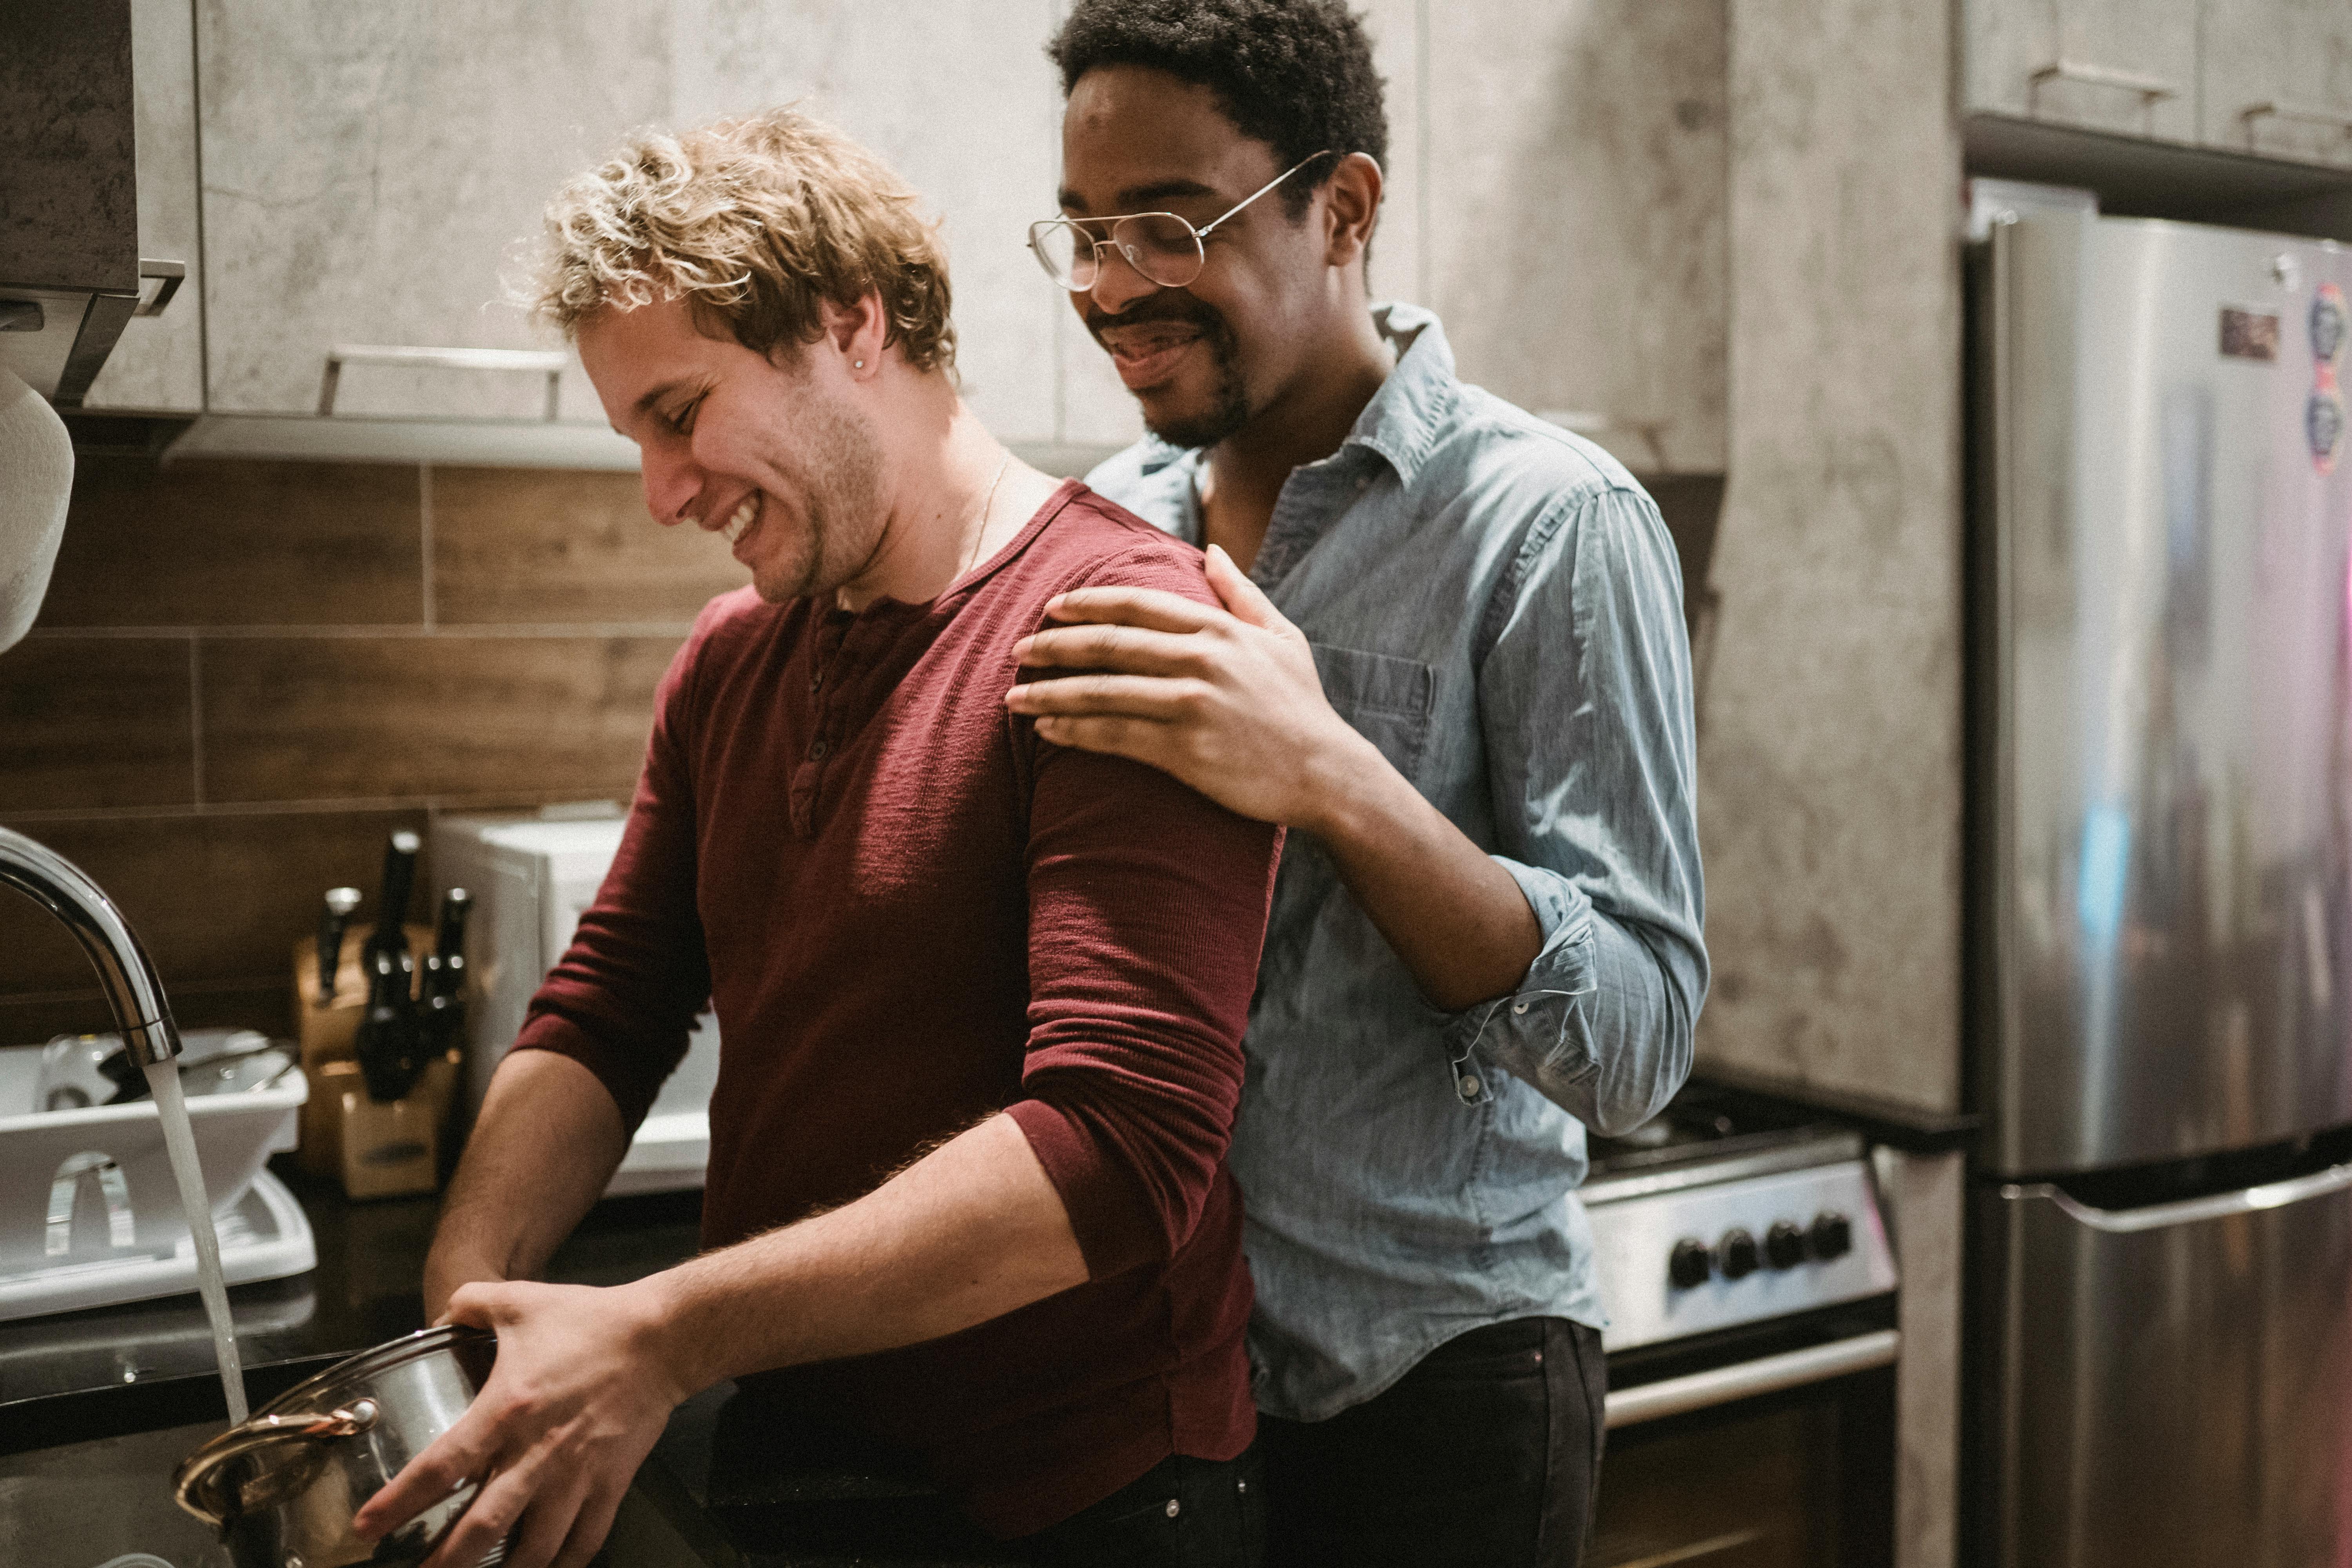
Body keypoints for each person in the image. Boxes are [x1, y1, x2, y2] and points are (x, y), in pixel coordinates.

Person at [354, 108, 1283, 1568]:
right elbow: (607, 1007)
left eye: (681, 413)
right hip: (808, 1468)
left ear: (851, 324)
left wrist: (660, 1332)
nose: (663, 495)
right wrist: (476, 1302)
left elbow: (1116, 1153)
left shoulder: (1120, 624)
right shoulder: (734, 663)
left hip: (1074, 1502)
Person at [1002, 3, 1708, 1563]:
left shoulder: (1551, 528)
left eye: (1172, 224)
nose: (1112, 285)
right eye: (1084, 231)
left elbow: (1643, 1036)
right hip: (1162, 1399)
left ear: (1348, 207)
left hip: (1439, 1389)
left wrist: (1334, 779)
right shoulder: (1102, 531)